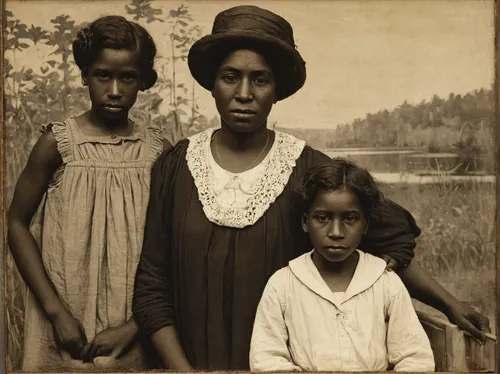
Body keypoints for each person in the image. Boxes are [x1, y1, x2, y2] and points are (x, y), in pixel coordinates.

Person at [132, 5, 490, 371]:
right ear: (212, 83)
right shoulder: (177, 167)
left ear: (277, 91)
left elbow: (385, 235)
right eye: (229, 77)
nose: (243, 93)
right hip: (190, 364)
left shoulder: (307, 167)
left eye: (259, 79)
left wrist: (449, 303)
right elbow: (153, 285)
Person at [7, 15, 169, 371]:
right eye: (102, 75)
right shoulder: (57, 144)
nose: (114, 90)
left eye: (127, 77)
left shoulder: (158, 150)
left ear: (142, 80)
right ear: (84, 76)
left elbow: (173, 246)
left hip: (133, 322)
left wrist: (135, 326)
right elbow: (16, 223)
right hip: (66, 318)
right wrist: (56, 313)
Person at [249, 159, 435, 372]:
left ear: (365, 224)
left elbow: (416, 358)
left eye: (350, 218)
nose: (336, 232)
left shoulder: (385, 282)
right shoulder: (282, 284)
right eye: (322, 218)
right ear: (305, 222)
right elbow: (266, 359)